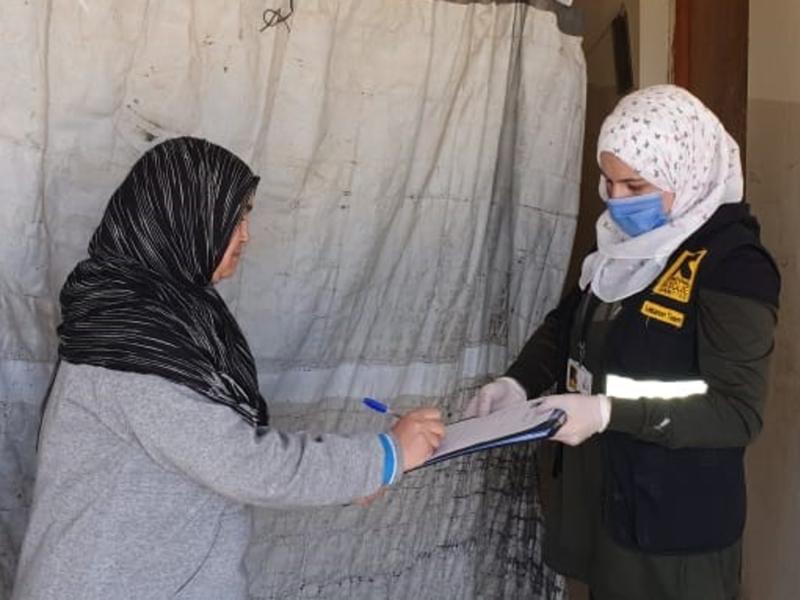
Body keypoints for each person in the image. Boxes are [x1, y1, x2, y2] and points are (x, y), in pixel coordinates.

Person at [12, 137, 445, 600]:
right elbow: (241, 462)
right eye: (236, 216)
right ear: (185, 216)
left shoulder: (167, 317)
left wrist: (357, 473)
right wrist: (383, 456)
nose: (246, 235)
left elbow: (213, 454)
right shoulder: (133, 345)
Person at [465, 85, 780, 600]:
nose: (616, 201)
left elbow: (737, 413)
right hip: (606, 499)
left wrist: (609, 412)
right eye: (608, 182)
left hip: (674, 525)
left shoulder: (733, 266)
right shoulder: (619, 242)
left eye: (635, 185)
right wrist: (516, 383)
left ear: (687, 171)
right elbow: (566, 324)